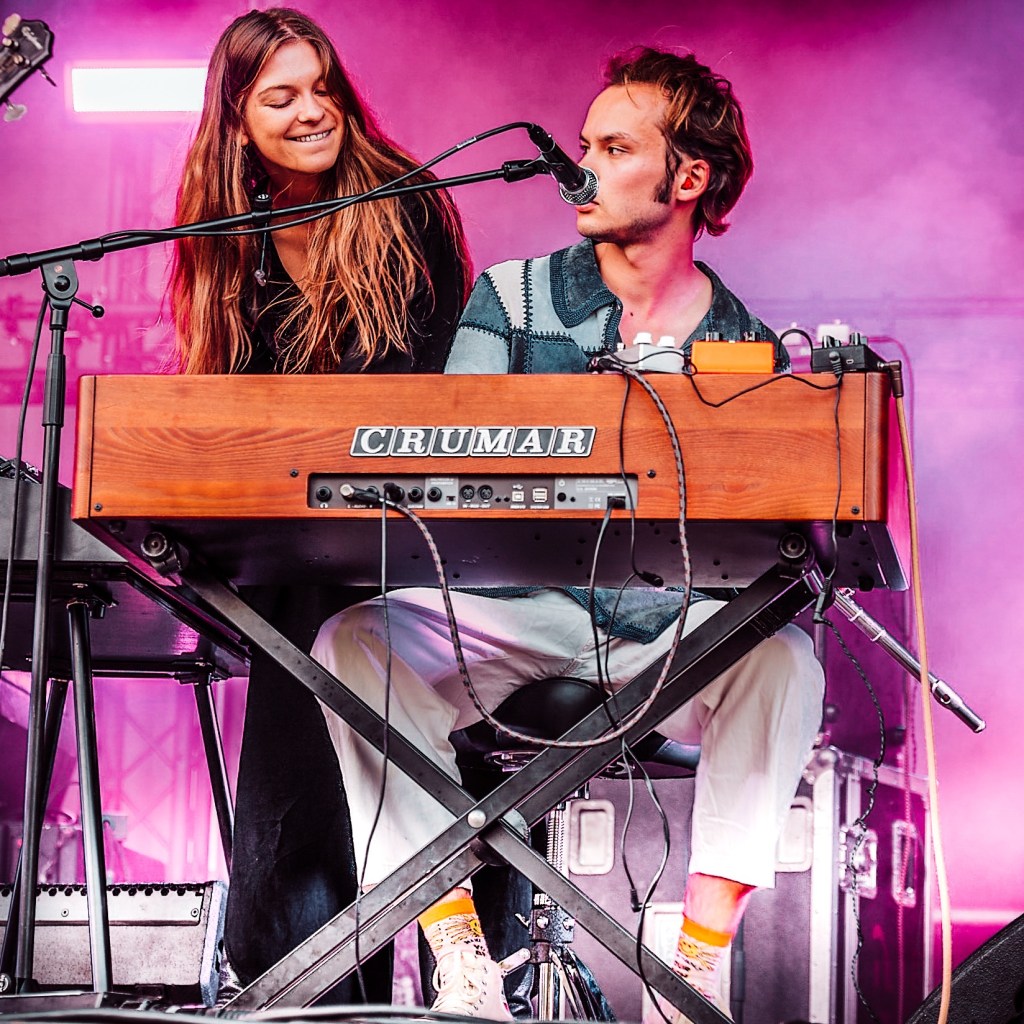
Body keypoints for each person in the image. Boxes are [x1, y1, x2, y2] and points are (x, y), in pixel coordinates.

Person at [310, 47, 825, 1021]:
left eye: (614, 148)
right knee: (354, 642)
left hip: (664, 631)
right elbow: (451, 470)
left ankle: (694, 968)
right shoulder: (510, 295)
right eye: (585, 144)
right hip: (513, 610)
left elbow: (759, 533)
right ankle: (458, 956)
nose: (580, 167)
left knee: (785, 660)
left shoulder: (744, 346)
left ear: (687, 177)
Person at [168, 7, 471, 997]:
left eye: (322, 87)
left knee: (382, 746)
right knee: (292, 771)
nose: (312, 111)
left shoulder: (404, 201)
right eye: (281, 96)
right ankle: (309, 990)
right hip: (292, 548)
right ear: (236, 120)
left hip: (402, 537)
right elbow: (225, 402)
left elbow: (432, 386)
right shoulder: (229, 237)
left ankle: (440, 972)